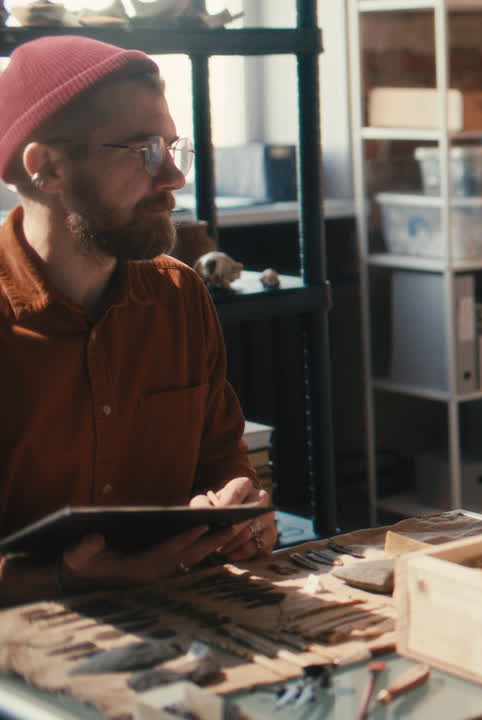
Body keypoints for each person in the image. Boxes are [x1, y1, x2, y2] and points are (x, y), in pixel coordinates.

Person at [0, 36, 275, 605]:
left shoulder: (178, 296)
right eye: (143, 151)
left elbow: (222, 463)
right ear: (47, 167)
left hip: (176, 628)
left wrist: (240, 515)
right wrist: (64, 580)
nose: (173, 178)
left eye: (174, 148)